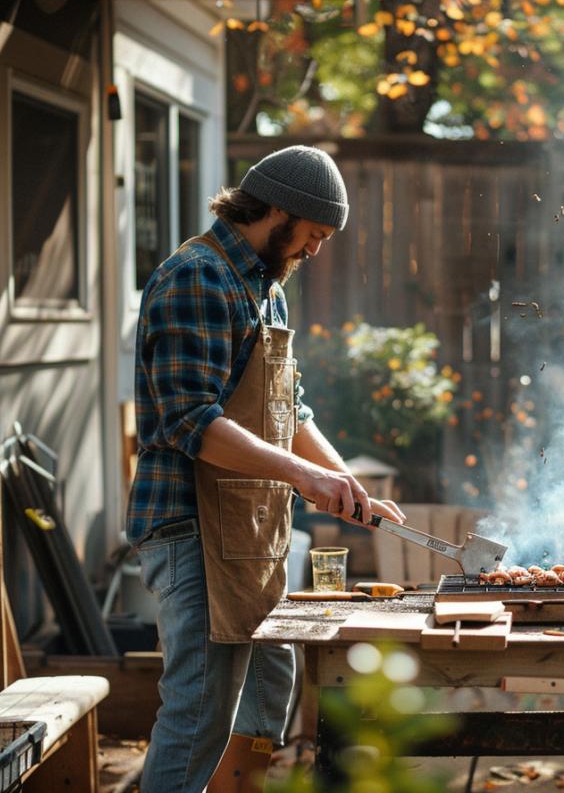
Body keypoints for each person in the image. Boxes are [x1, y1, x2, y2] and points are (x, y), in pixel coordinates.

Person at [126, 145, 406, 792]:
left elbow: (290, 407)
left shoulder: (267, 290)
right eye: (312, 235)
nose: (314, 252)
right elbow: (191, 421)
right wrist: (303, 478)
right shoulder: (197, 275)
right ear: (278, 210)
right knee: (200, 715)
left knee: (269, 691)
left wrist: (346, 484)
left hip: (247, 533)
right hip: (190, 529)